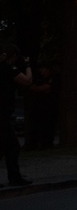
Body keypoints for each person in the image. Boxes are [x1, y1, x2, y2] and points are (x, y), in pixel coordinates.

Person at [0, 44, 33, 186]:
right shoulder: (8, 68)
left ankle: (14, 176)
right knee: (9, 145)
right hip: (2, 112)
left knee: (9, 146)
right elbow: (27, 80)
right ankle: (14, 177)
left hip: (3, 112)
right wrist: (28, 66)